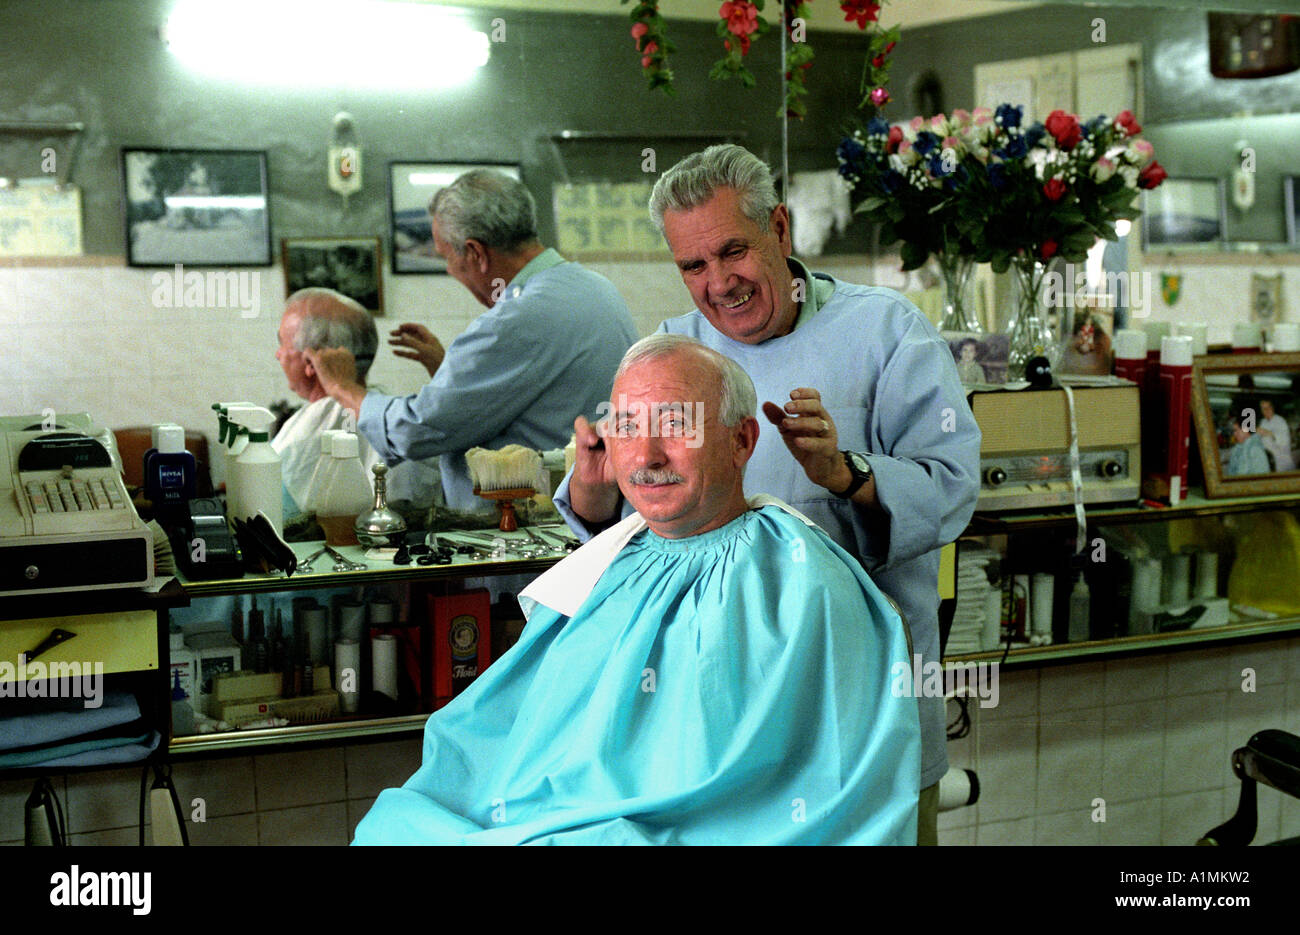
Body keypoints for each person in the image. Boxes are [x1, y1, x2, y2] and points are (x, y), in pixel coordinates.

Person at [554, 144, 981, 846]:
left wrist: (848, 473)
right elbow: (639, 535)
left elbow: (954, 486)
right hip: (717, 721)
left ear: (779, 230)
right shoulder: (674, 353)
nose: (719, 282)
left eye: (733, 251)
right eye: (693, 265)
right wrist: (598, 491)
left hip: (862, 707)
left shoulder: (886, 332)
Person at [352, 335, 921, 845]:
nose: (646, 457)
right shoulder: (612, 559)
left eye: (675, 426)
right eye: (626, 427)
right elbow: (517, 734)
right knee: (395, 824)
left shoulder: (802, 577)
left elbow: (825, 785)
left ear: (742, 441)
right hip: (548, 811)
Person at [308, 169, 638, 512]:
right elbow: (531, 399)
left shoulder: (520, 317)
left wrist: (344, 388)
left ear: (475, 253)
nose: (450, 271)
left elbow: (418, 430)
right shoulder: (595, 288)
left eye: (446, 259)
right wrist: (446, 369)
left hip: (531, 530)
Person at [273, 287, 382, 516]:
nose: (278, 354)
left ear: (312, 361)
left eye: (283, 343)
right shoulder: (390, 415)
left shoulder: (300, 438)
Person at [1256, 398, 1294, 472]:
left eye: (1268, 407)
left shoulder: (1280, 421)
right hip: (1269, 461)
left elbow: (1284, 442)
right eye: (1264, 408)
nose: (1266, 410)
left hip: (1282, 462)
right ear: (1261, 411)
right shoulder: (1263, 422)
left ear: (1272, 408)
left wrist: (1269, 433)